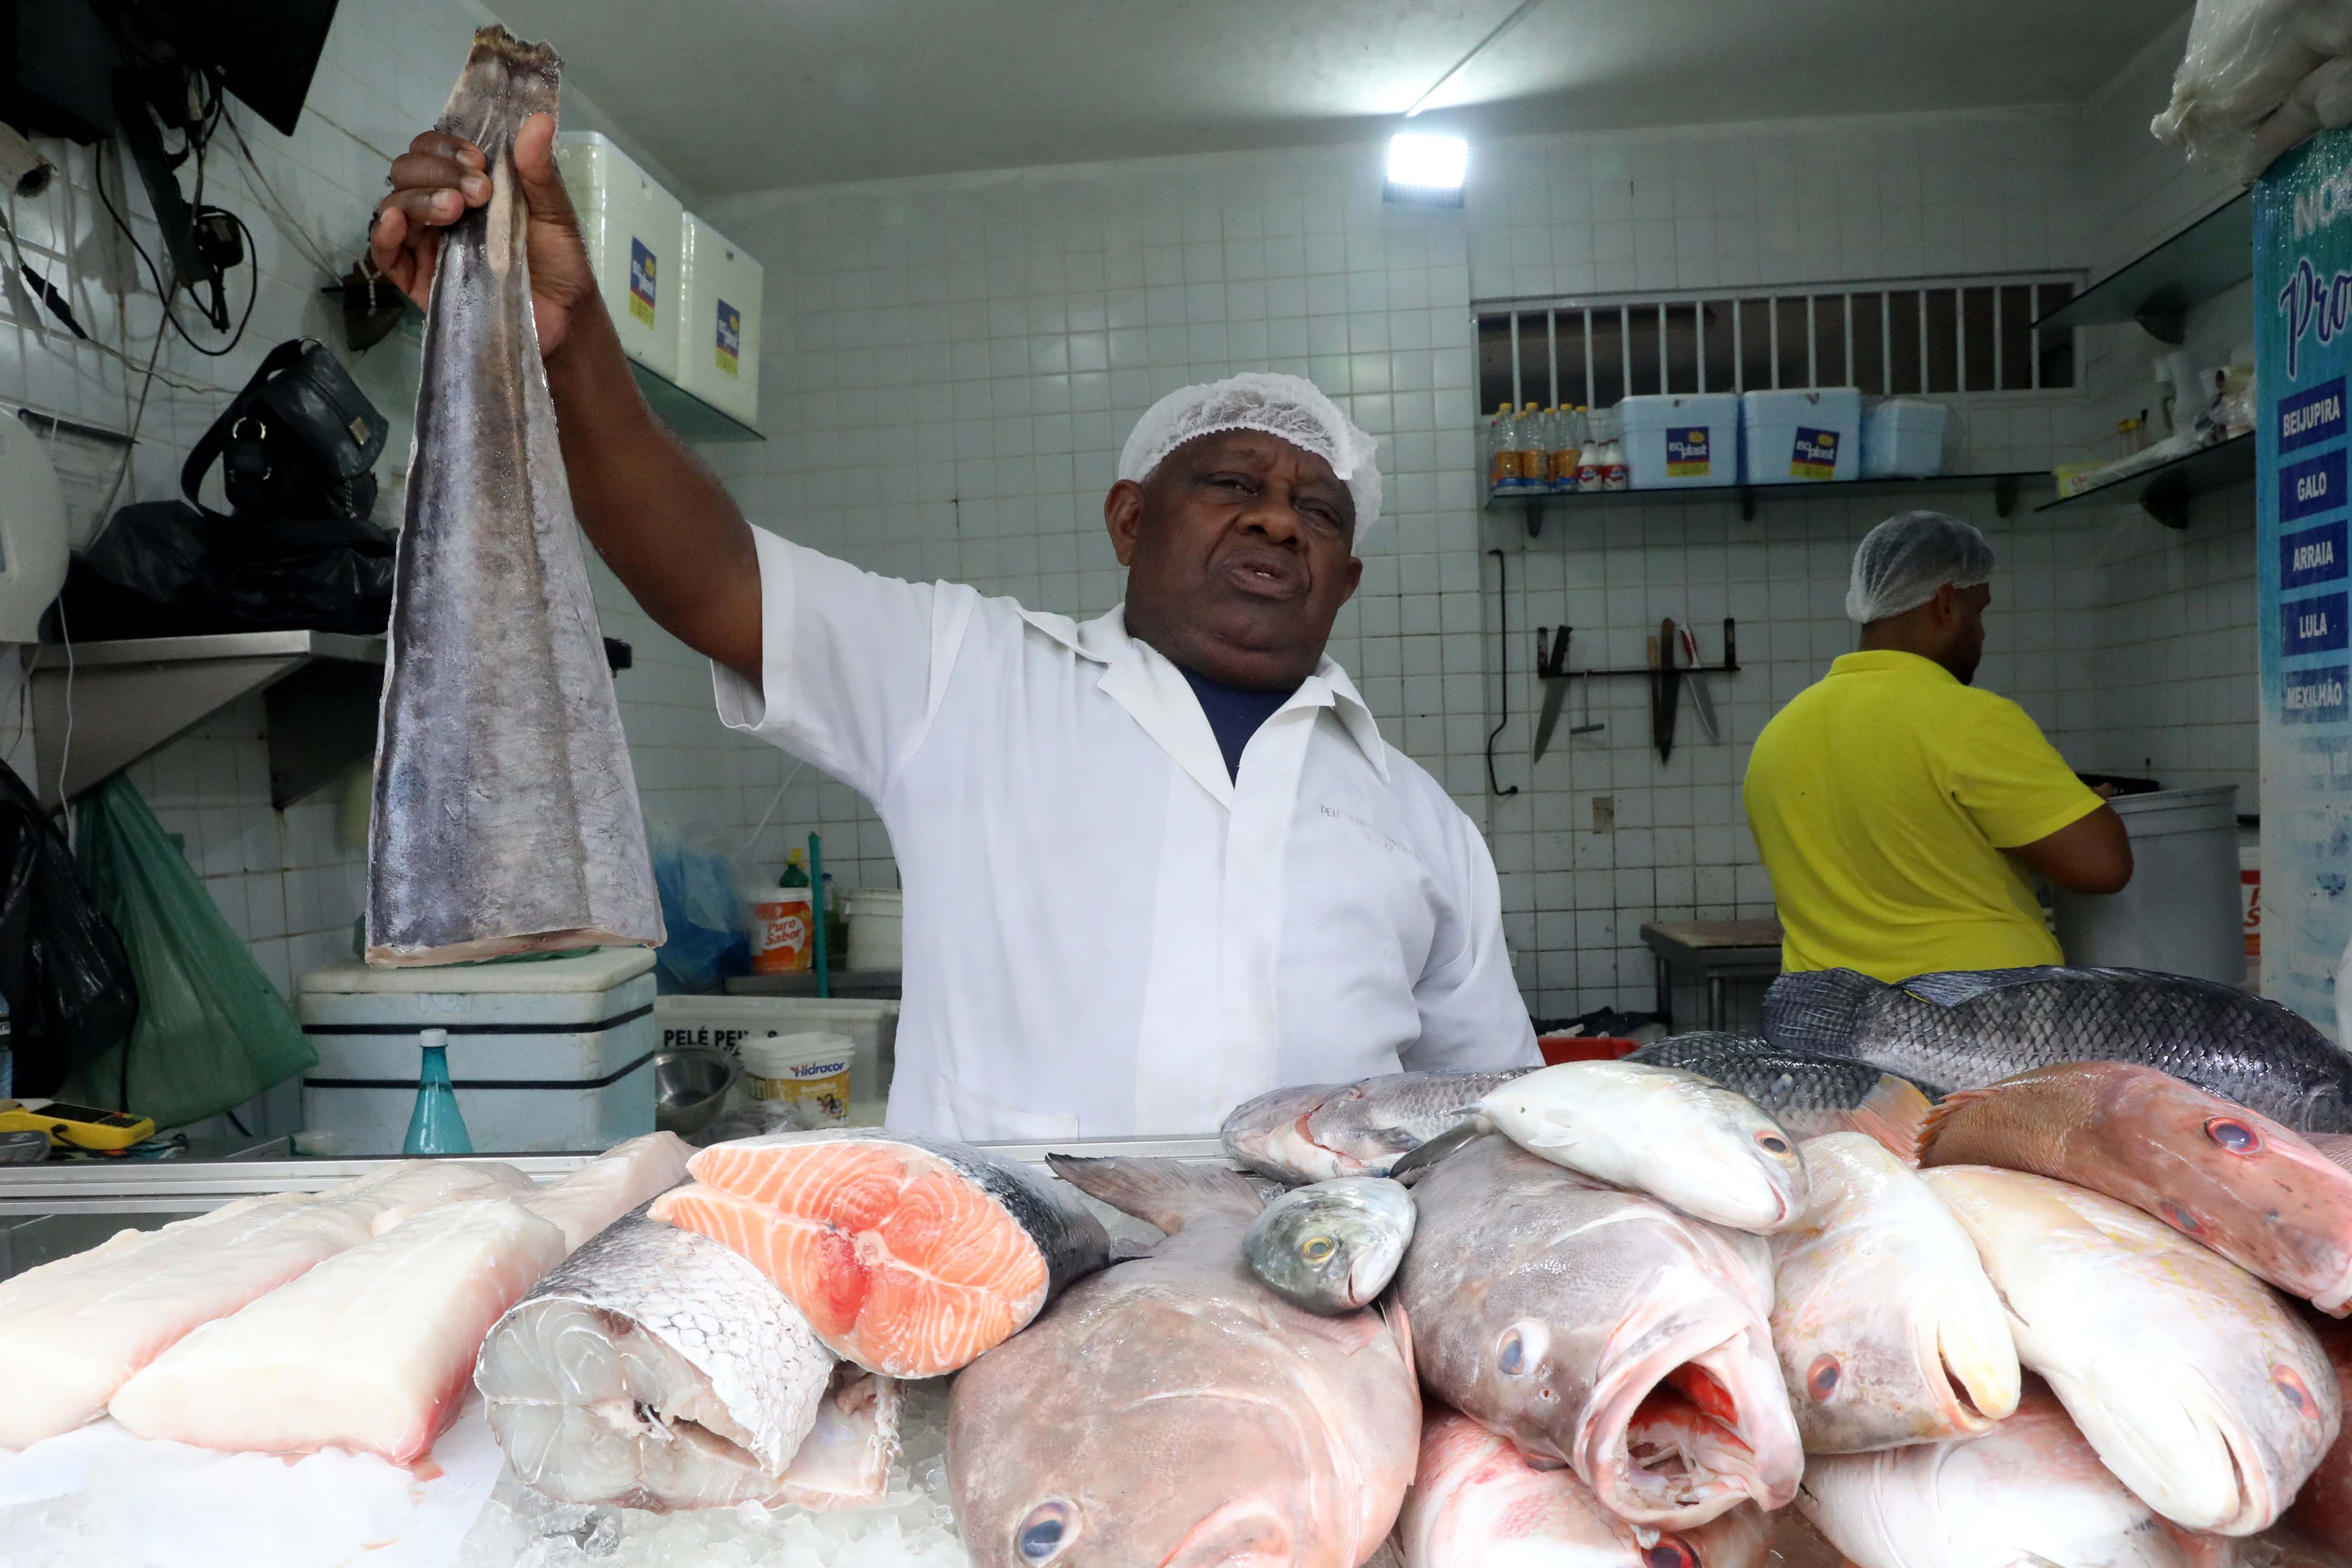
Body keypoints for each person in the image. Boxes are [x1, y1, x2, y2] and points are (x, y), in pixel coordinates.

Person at [371, 119, 1537, 1142]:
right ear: (1130, 520)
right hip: (1011, 1327)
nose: (1279, 519)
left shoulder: (1421, 826)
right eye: (1234, 482)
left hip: (1312, 1352)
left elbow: (1489, 1123)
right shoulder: (966, 677)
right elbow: (711, 579)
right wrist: (568, 346)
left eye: (1319, 511)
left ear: (1347, 575)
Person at [1742, 511, 2131, 983]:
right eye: (1979, 611)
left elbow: (1904, 847)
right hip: (1973, 1026)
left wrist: (2052, 807)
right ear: (1946, 604)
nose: (1983, 634)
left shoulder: (1778, 736)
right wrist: (2083, 810)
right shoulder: (1970, 720)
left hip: (1833, 1024)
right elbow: (2103, 867)